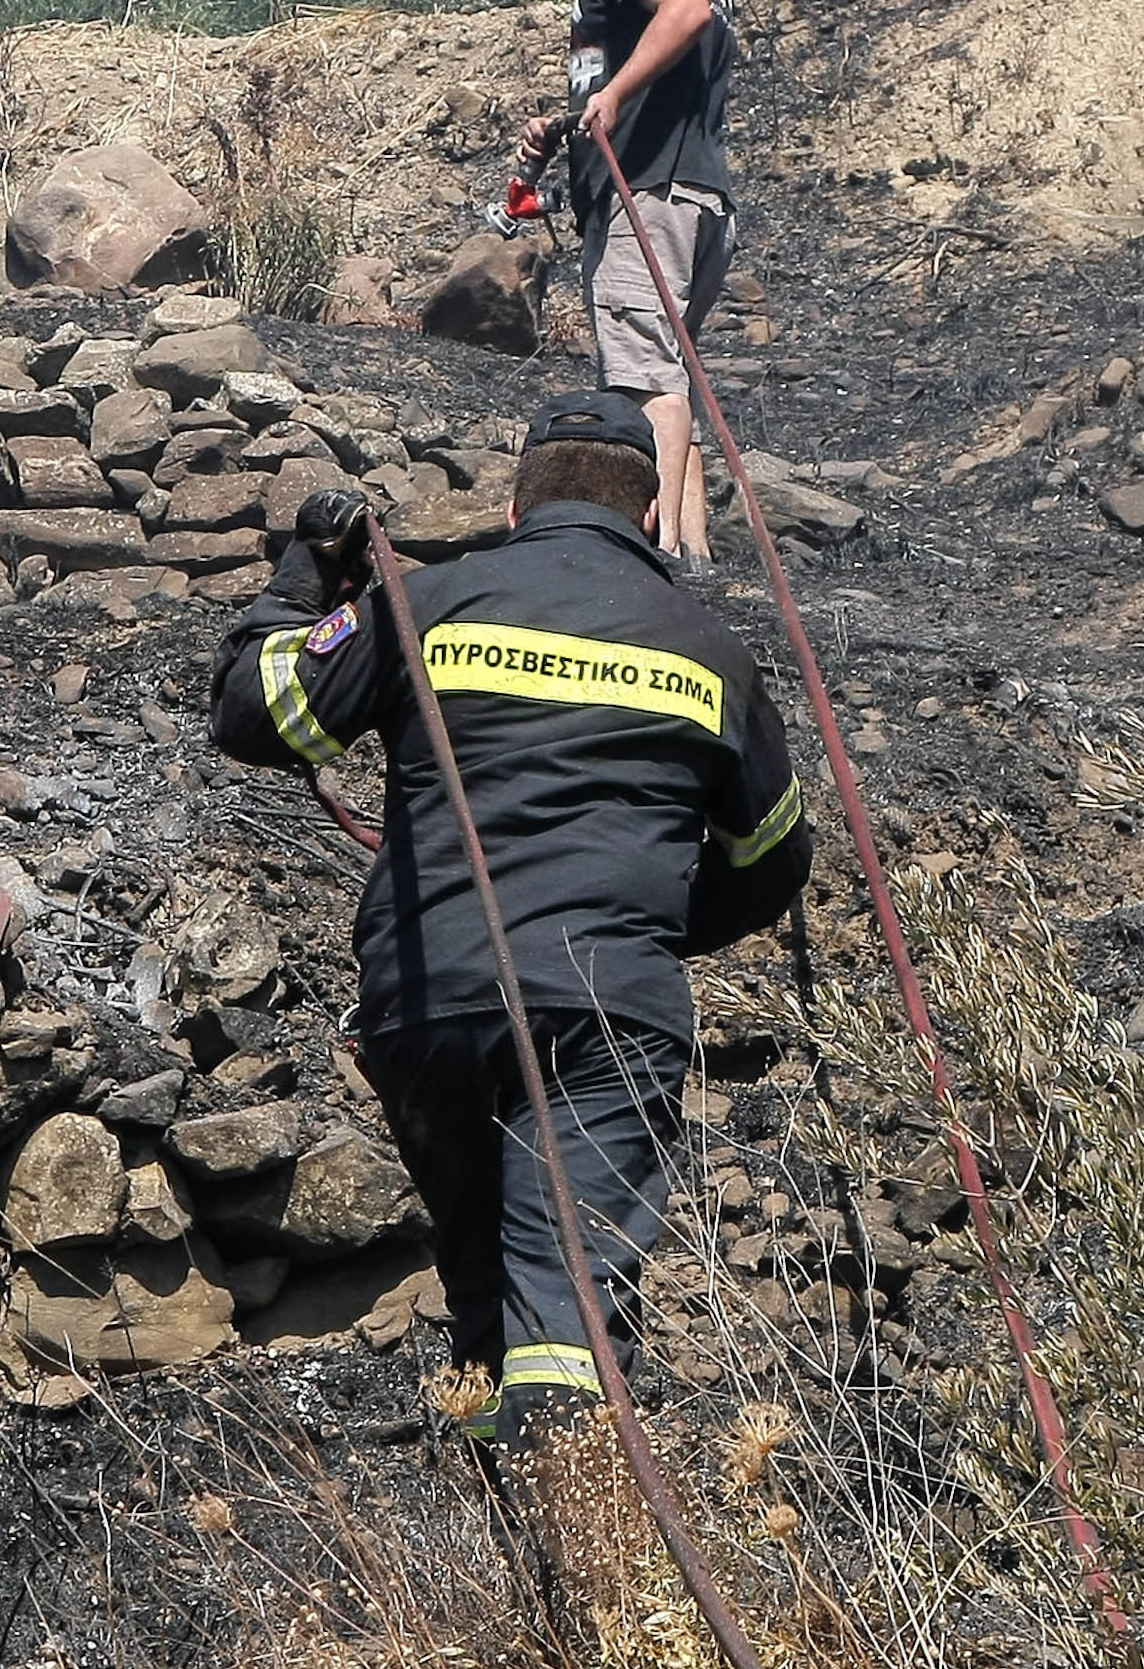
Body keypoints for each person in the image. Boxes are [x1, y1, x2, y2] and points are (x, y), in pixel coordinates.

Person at [205, 393, 811, 1449]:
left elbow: (256, 712)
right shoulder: (711, 651)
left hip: (430, 996)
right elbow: (772, 859)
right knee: (566, 1310)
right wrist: (646, 927)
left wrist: (307, 575)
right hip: (608, 1011)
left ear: (517, 499)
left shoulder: (427, 604)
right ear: (654, 507)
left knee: (485, 1290)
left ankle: (508, 1543)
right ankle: (584, 1558)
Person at [513, 0, 741, 563]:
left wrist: (610, 93)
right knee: (668, 375)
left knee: (644, 384)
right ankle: (696, 557)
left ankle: (659, 557)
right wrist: (568, 122)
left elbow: (684, 12)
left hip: (651, 196)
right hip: (693, 193)